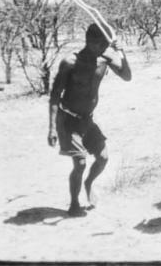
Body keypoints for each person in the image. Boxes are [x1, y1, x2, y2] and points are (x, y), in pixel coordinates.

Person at [48, 23, 132, 217]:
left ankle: (88, 183)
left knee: (103, 158)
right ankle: (74, 203)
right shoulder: (70, 62)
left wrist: (123, 54)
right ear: (90, 42)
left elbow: (127, 76)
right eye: (101, 44)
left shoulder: (106, 57)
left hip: (87, 120)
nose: (104, 48)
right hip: (68, 119)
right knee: (80, 163)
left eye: (106, 44)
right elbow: (54, 95)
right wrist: (52, 128)